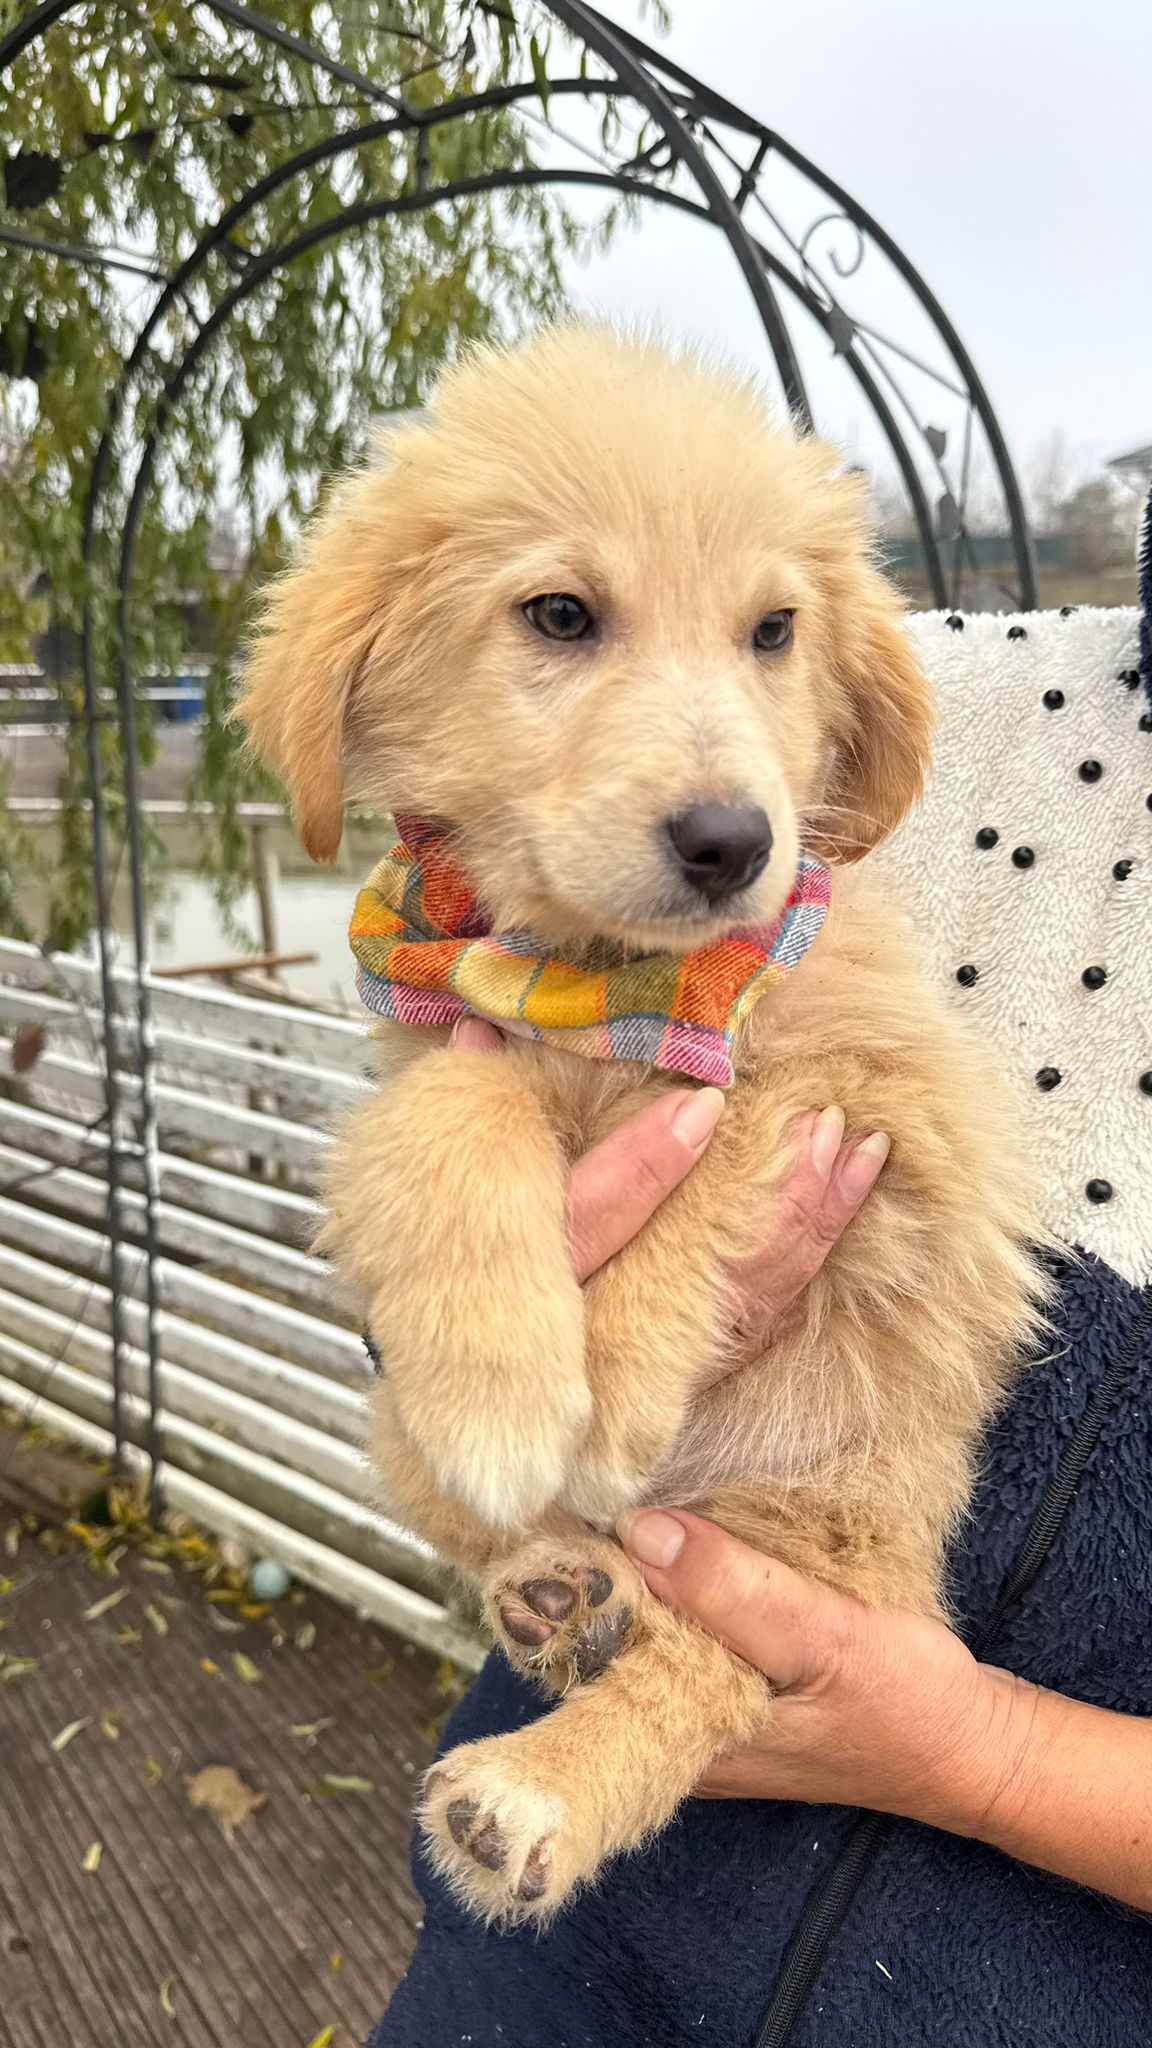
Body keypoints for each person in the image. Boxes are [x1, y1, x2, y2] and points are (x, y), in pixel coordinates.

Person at [370, 1020, 1152, 2048]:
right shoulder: (778, 915)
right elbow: (431, 1225)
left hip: (1006, 1998)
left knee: (772, 1587)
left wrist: (986, 1751)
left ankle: (596, 1758)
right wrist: (466, 1304)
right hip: (534, 1978)